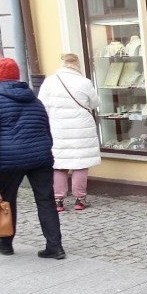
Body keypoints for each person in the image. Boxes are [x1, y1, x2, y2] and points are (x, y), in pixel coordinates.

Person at [0, 57, 66, 259]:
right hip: (40, 158)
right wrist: (45, 152)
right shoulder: (35, 100)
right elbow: (46, 130)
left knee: (6, 201)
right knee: (46, 201)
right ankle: (55, 247)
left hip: (9, 161)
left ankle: (5, 243)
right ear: (17, 76)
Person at [38, 53, 101, 211]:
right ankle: (80, 199)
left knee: (59, 164)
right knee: (80, 163)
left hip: (57, 127)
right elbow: (95, 103)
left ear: (63, 63)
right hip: (82, 128)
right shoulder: (84, 82)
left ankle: (58, 200)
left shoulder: (50, 82)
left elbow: (41, 106)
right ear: (77, 64)